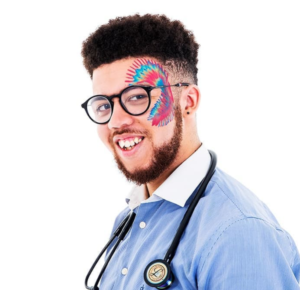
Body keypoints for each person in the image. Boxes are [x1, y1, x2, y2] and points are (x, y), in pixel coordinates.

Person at [81, 14, 300, 290]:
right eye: (103, 105)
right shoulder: (129, 219)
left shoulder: (237, 232)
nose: (116, 122)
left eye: (137, 96)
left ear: (189, 101)